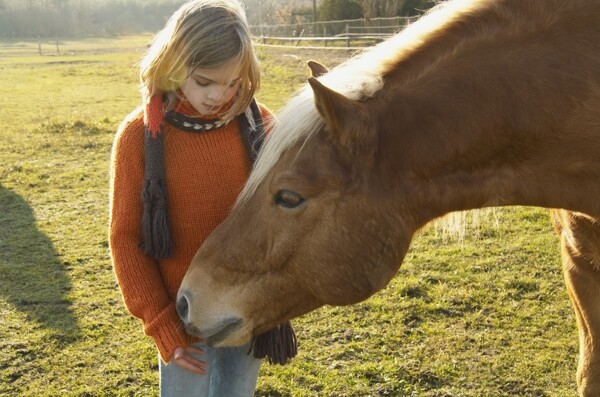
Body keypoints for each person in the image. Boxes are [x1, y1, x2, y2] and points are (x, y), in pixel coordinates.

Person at [108, 1, 278, 395]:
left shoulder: (261, 126)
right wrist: (160, 322)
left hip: (246, 310)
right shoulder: (139, 137)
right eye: (205, 81)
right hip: (182, 321)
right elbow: (126, 239)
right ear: (174, 63)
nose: (221, 94)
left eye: (234, 82)